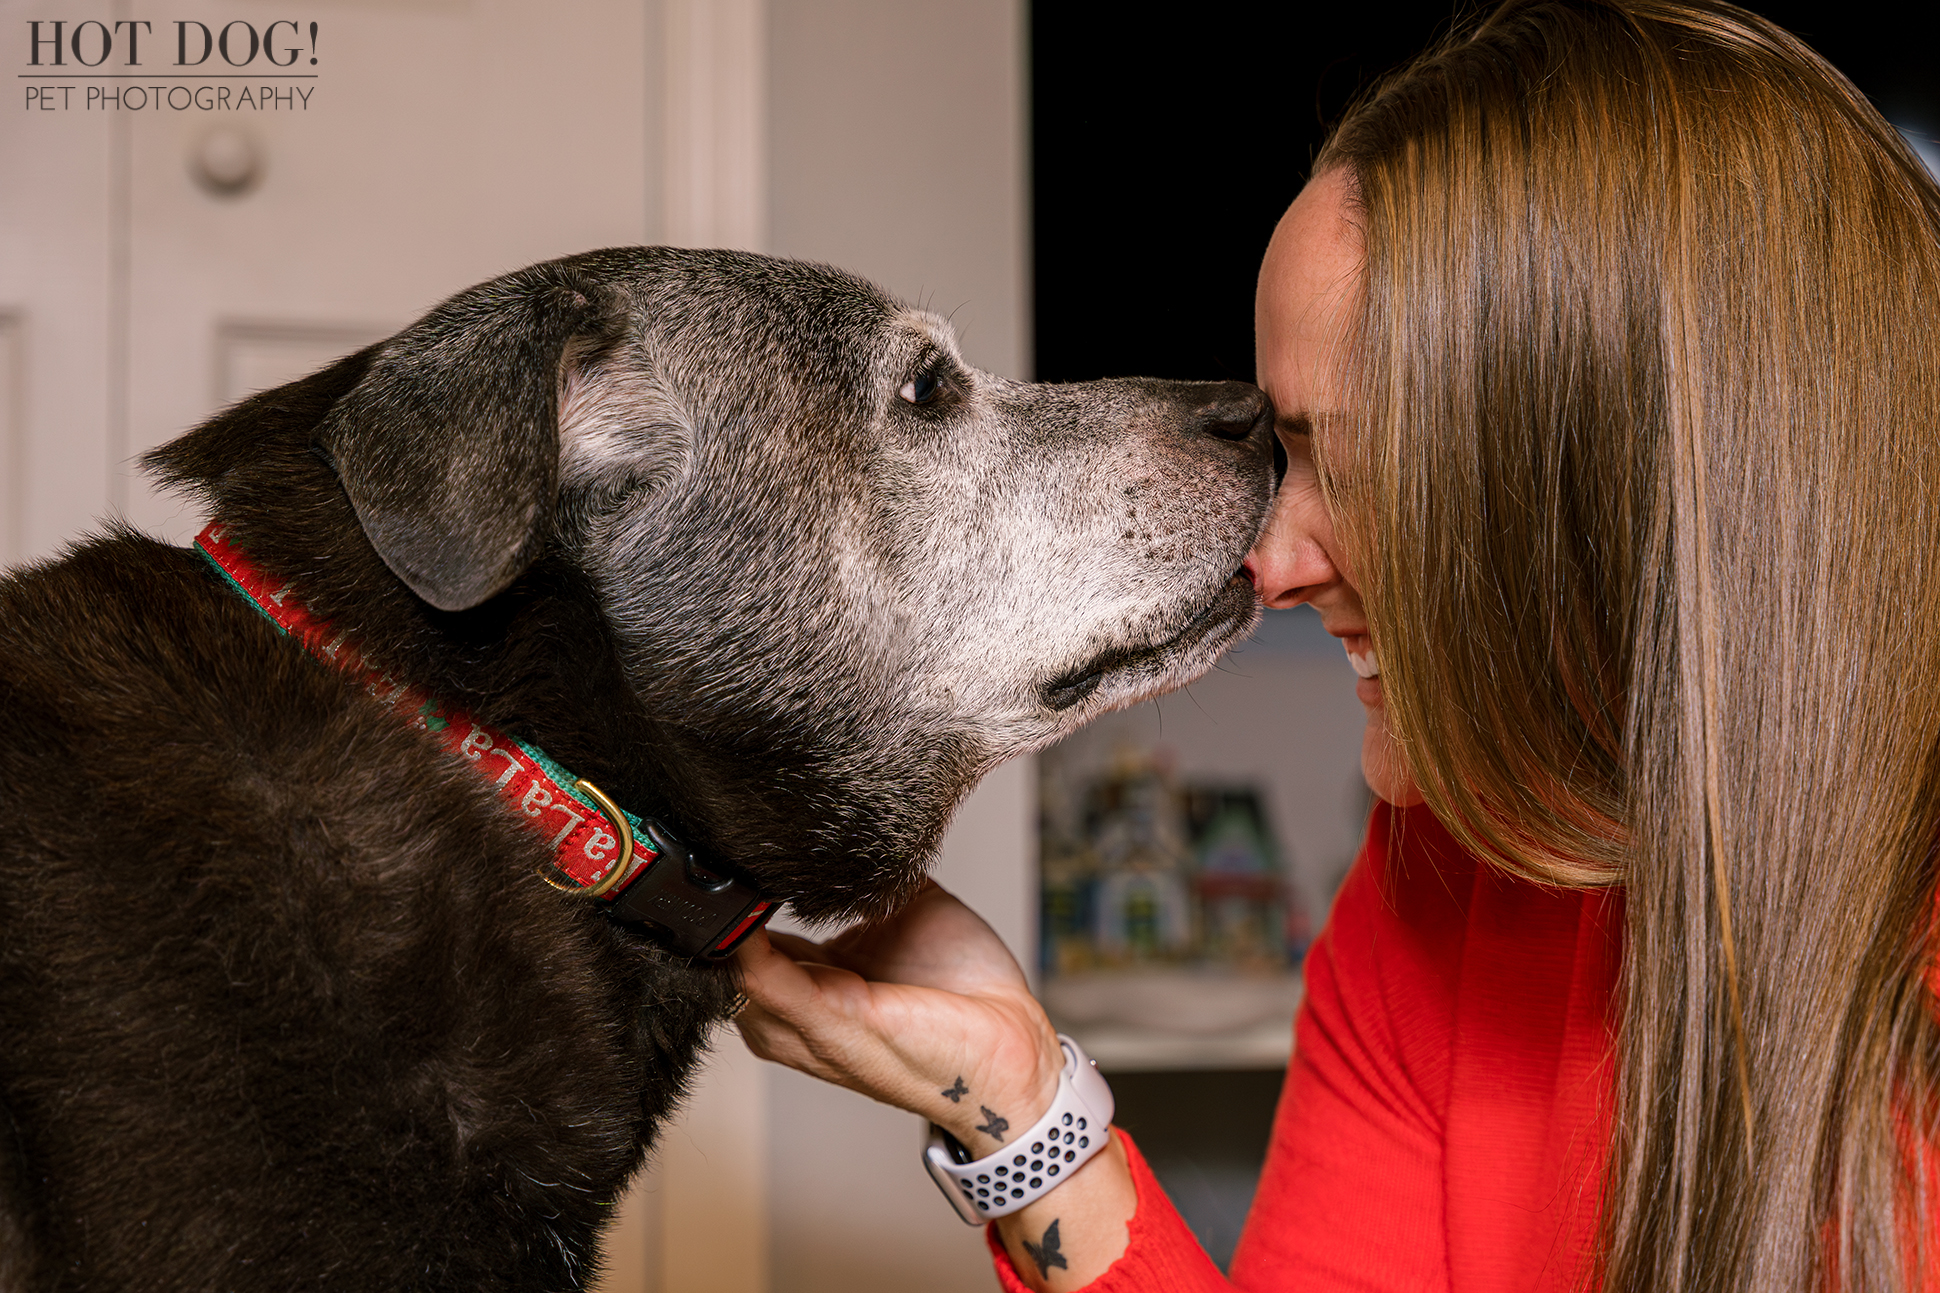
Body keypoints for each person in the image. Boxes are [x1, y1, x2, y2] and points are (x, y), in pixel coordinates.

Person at [733, 1, 1940, 1288]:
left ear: (1642, 482)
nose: (1267, 566)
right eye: (1279, 459)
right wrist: (1027, 1115)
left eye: (1353, 467)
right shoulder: (1447, 876)